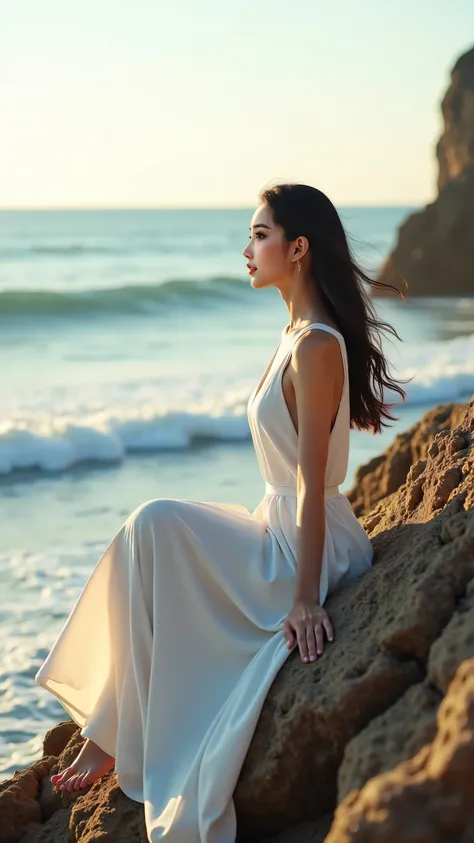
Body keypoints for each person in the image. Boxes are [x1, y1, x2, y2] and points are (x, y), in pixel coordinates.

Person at [35, 183, 407, 843]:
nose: (246, 249)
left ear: (298, 249)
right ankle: (109, 729)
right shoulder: (294, 333)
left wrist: (304, 600)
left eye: (259, 234)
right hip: (278, 525)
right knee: (151, 528)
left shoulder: (317, 346)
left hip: (305, 544)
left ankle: (111, 733)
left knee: (155, 526)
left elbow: (311, 480)